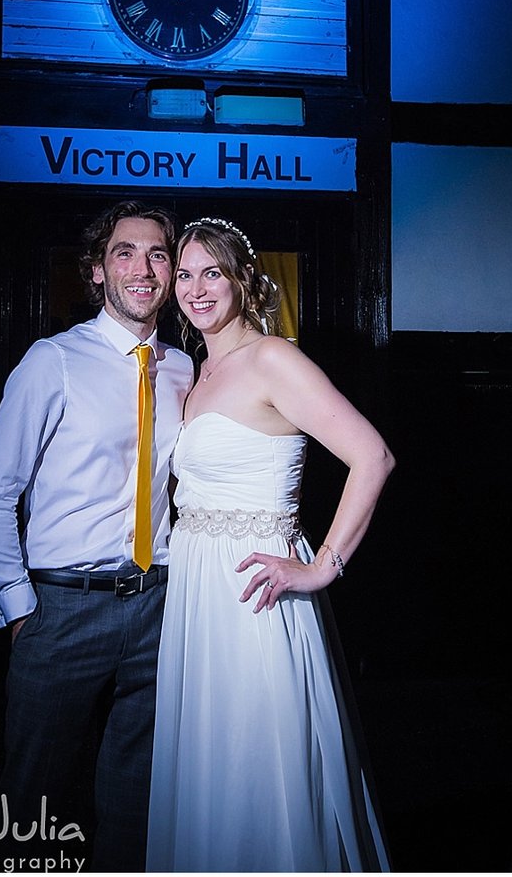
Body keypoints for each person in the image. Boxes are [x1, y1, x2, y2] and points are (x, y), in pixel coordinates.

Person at [147, 216, 392, 871]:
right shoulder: (198, 369)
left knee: (256, 760)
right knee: (210, 759)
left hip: (253, 587)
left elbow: (372, 456)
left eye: (213, 273)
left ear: (244, 281)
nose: (197, 289)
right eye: (187, 274)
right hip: (197, 592)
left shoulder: (273, 358)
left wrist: (323, 566)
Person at [0, 201, 194, 870]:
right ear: (98, 270)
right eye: (125, 252)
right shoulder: (53, 361)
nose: (143, 268)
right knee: (35, 792)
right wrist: (20, 610)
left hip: (159, 605)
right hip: (63, 609)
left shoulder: (182, 370)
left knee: (139, 793)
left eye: (158, 254)